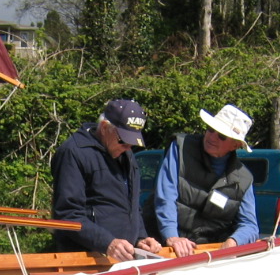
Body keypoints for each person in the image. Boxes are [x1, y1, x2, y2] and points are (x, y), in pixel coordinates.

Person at [51, 99, 162, 260]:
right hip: (84, 260)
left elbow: (133, 206)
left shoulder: (125, 154)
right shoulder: (73, 153)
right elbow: (68, 214)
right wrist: (107, 243)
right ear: (104, 128)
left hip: (122, 259)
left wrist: (141, 238)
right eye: (124, 140)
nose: (128, 148)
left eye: (133, 143)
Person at [145, 104, 259, 258]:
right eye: (210, 129)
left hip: (205, 254)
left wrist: (232, 242)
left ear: (236, 145)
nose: (212, 137)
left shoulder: (244, 179)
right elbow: (166, 195)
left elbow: (250, 226)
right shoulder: (180, 147)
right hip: (160, 246)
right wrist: (172, 236)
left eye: (221, 136)